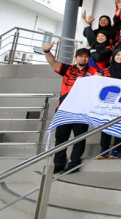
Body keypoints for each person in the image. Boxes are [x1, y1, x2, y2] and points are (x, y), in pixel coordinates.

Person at [42, 42, 100, 174]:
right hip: (64, 109)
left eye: (86, 56)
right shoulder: (67, 69)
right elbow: (53, 62)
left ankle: (74, 163)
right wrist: (47, 51)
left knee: (79, 138)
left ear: (89, 59)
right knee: (61, 138)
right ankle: (59, 162)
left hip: (82, 110)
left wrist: (98, 78)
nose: (83, 58)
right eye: (80, 56)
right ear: (75, 58)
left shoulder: (93, 72)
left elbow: (99, 82)